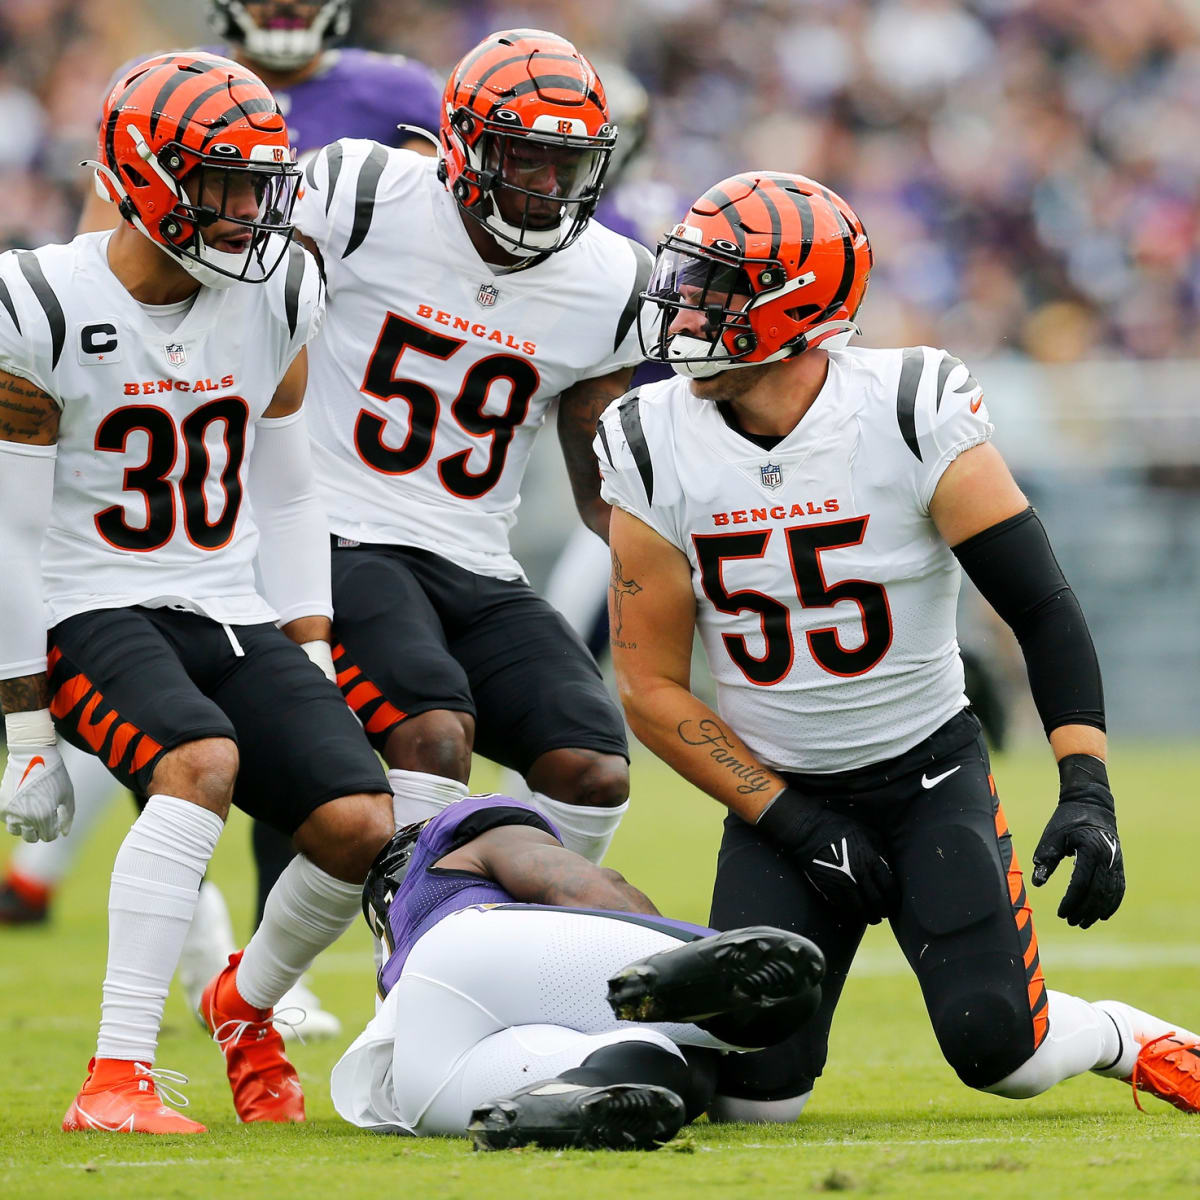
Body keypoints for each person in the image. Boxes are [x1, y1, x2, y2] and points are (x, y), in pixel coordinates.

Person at [597, 171, 1200, 1121]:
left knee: (1002, 1048)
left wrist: (1086, 787)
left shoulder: (910, 406)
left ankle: (1132, 1038)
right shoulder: (648, 436)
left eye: (718, 286)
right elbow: (648, 687)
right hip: (776, 792)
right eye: (691, 279)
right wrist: (794, 820)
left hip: (926, 776)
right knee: (756, 1098)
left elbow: (1040, 605)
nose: (686, 308)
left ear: (795, 304)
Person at [3, 0, 444, 1041]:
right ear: (146, 181)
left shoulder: (281, 286)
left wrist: (314, 652)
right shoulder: (41, 303)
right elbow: (11, 532)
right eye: (222, 185)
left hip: (222, 596)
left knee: (357, 820)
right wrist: (25, 730)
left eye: (260, 184)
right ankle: (119, 1073)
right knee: (199, 763)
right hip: (85, 595)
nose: (250, 211)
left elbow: (290, 490)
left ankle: (239, 1010)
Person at [291, 29, 654, 863]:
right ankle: (424, 959)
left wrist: (682, 559)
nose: (548, 186)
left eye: (567, 165)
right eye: (524, 159)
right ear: (463, 144)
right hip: (339, 526)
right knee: (434, 736)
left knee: (592, 765)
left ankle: (521, 942)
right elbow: (255, 337)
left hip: (476, 557)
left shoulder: (613, 278)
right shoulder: (363, 191)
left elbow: (603, 484)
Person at [331, 792, 826, 1148]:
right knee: (784, 996)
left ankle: (558, 1103)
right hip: (478, 948)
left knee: (665, 1072)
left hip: (421, 1081)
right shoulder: (462, 840)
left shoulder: (395, 959)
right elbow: (581, 884)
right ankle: (683, 987)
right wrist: (661, 946)